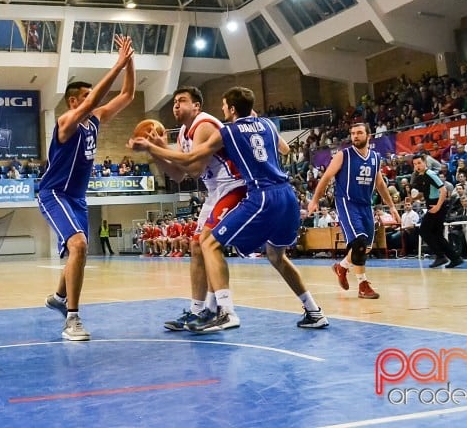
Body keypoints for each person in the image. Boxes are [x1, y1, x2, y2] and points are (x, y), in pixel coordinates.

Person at [133, 86, 328, 331]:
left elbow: (191, 166)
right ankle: (313, 310)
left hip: (247, 191)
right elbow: (285, 149)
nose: (222, 110)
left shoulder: (224, 130)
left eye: (224, 106)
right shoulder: (266, 124)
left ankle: (225, 311)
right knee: (273, 255)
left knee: (210, 244)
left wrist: (152, 149)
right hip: (285, 193)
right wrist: (163, 151)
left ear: (231, 109)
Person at [40, 34, 135, 341]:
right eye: (86, 94)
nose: (92, 98)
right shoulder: (66, 121)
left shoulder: (94, 120)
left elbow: (128, 95)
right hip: (54, 193)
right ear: (73, 101)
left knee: (78, 250)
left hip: (77, 198)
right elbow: (95, 99)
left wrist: (129, 62)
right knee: (79, 245)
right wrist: (117, 63)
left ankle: (58, 296)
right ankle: (72, 319)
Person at [144, 86, 246, 332]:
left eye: (182, 101)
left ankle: (224, 310)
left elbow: (194, 170)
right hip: (215, 192)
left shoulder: (204, 125)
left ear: (196, 106)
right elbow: (178, 176)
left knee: (208, 243)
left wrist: (160, 148)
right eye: (174, 102)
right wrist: (155, 153)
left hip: (235, 186)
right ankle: (198, 311)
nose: (176, 105)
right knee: (195, 246)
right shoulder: (182, 133)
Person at [308, 123, 400, 299]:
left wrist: (392, 206)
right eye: (352, 133)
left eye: (359, 133)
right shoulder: (344, 155)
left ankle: (342, 267)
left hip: (365, 205)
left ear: (368, 135)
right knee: (358, 243)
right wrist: (314, 200)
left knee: (364, 248)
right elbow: (326, 177)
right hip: (347, 203)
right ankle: (363, 284)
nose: (355, 136)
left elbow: (379, 184)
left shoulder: (375, 157)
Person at [411, 154, 463, 269]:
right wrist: (413, 198)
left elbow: (443, 190)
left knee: (424, 231)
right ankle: (455, 258)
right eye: (415, 164)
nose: (417, 166)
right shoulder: (421, 176)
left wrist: (438, 206)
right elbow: (424, 194)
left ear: (425, 162)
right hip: (432, 205)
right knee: (437, 235)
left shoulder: (430, 174)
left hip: (437, 206)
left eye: (419, 163)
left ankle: (440, 256)